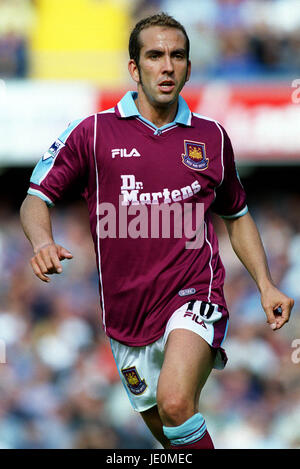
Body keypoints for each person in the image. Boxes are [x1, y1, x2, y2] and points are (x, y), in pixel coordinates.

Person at [20, 12, 294, 450]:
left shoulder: (212, 137)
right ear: (135, 67)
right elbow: (36, 197)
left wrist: (265, 285)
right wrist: (42, 241)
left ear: (188, 67)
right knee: (173, 441)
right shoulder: (91, 133)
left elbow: (237, 215)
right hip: (126, 320)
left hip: (194, 296)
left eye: (177, 56)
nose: (166, 66)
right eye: (155, 56)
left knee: (176, 402)